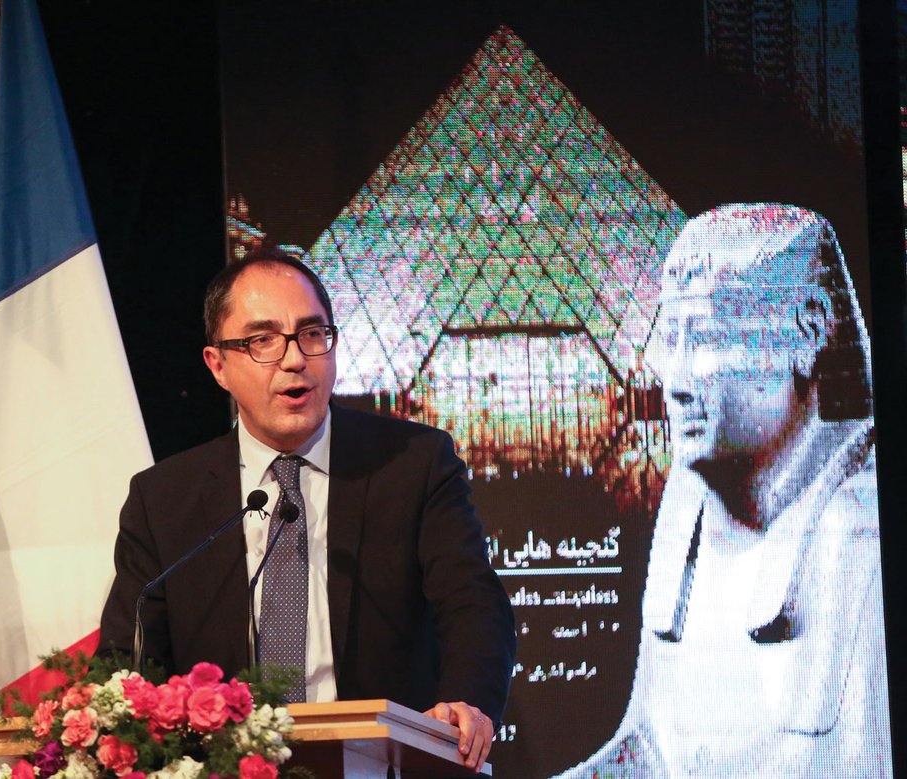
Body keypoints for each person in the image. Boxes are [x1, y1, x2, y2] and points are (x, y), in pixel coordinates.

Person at [98, 247, 516, 771]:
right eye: (263, 340)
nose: (294, 359)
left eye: (312, 334)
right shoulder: (164, 499)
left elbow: (473, 603)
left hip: (381, 767)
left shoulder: (414, 465)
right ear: (218, 366)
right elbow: (128, 656)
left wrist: (466, 701)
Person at [562, 203, 890, 776]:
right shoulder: (687, 509)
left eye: (709, 335)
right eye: (672, 338)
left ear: (809, 330)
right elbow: (647, 752)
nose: (676, 382)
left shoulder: (865, 531)